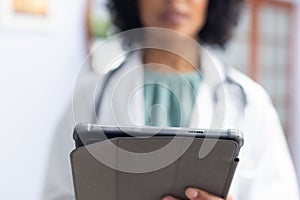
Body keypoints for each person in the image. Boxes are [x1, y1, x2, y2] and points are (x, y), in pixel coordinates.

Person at [42, 0, 299, 199]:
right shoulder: (91, 95)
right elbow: (57, 193)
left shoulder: (250, 101)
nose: (175, 0)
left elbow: (279, 193)